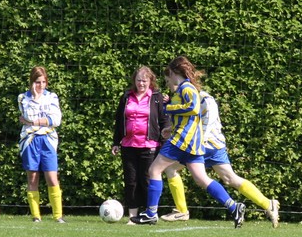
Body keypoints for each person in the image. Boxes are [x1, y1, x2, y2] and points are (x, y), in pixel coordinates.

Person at [131, 56, 246, 227]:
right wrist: (171, 127)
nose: (168, 82)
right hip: (191, 142)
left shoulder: (187, 88)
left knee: (154, 170)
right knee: (201, 179)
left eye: (168, 77)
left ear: (173, 73)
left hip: (183, 140)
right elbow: (188, 117)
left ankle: (151, 213)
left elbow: (194, 108)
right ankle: (234, 207)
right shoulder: (182, 90)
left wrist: (169, 108)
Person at [160, 88, 280, 227]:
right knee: (230, 178)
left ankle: (182, 211)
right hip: (215, 145)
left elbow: (207, 124)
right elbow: (189, 121)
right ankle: (268, 204)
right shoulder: (189, 97)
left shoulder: (206, 100)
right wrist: (171, 129)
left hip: (204, 145)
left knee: (172, 169)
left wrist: (198, 144)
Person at [111, 66, 171, 223]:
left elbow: (165, 120)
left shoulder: (157, 97)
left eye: (144, 80)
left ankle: (149, 213)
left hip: (149, 146)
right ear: (134, 80)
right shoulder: (126, 96)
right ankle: (132, 217)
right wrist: (116, 142)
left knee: (147, 180)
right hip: (128, 145)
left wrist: (165, 141)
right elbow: (119, 120)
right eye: (138, 80)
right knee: (131, 181)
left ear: (150, 81)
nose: (141, 83)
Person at [19, 66, 64, 223]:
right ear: (32, 82)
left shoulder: (52, 97)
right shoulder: (23, 98)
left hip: (48, 140)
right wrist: (36, 98)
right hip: (30, 140)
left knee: (52, 177)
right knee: (32, 178)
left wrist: (34, 122)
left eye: (44, 82)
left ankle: (58, 216)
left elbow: (56, 120)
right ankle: (36, 216)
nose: (41, 85)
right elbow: (28, 115)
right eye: (38, 82)